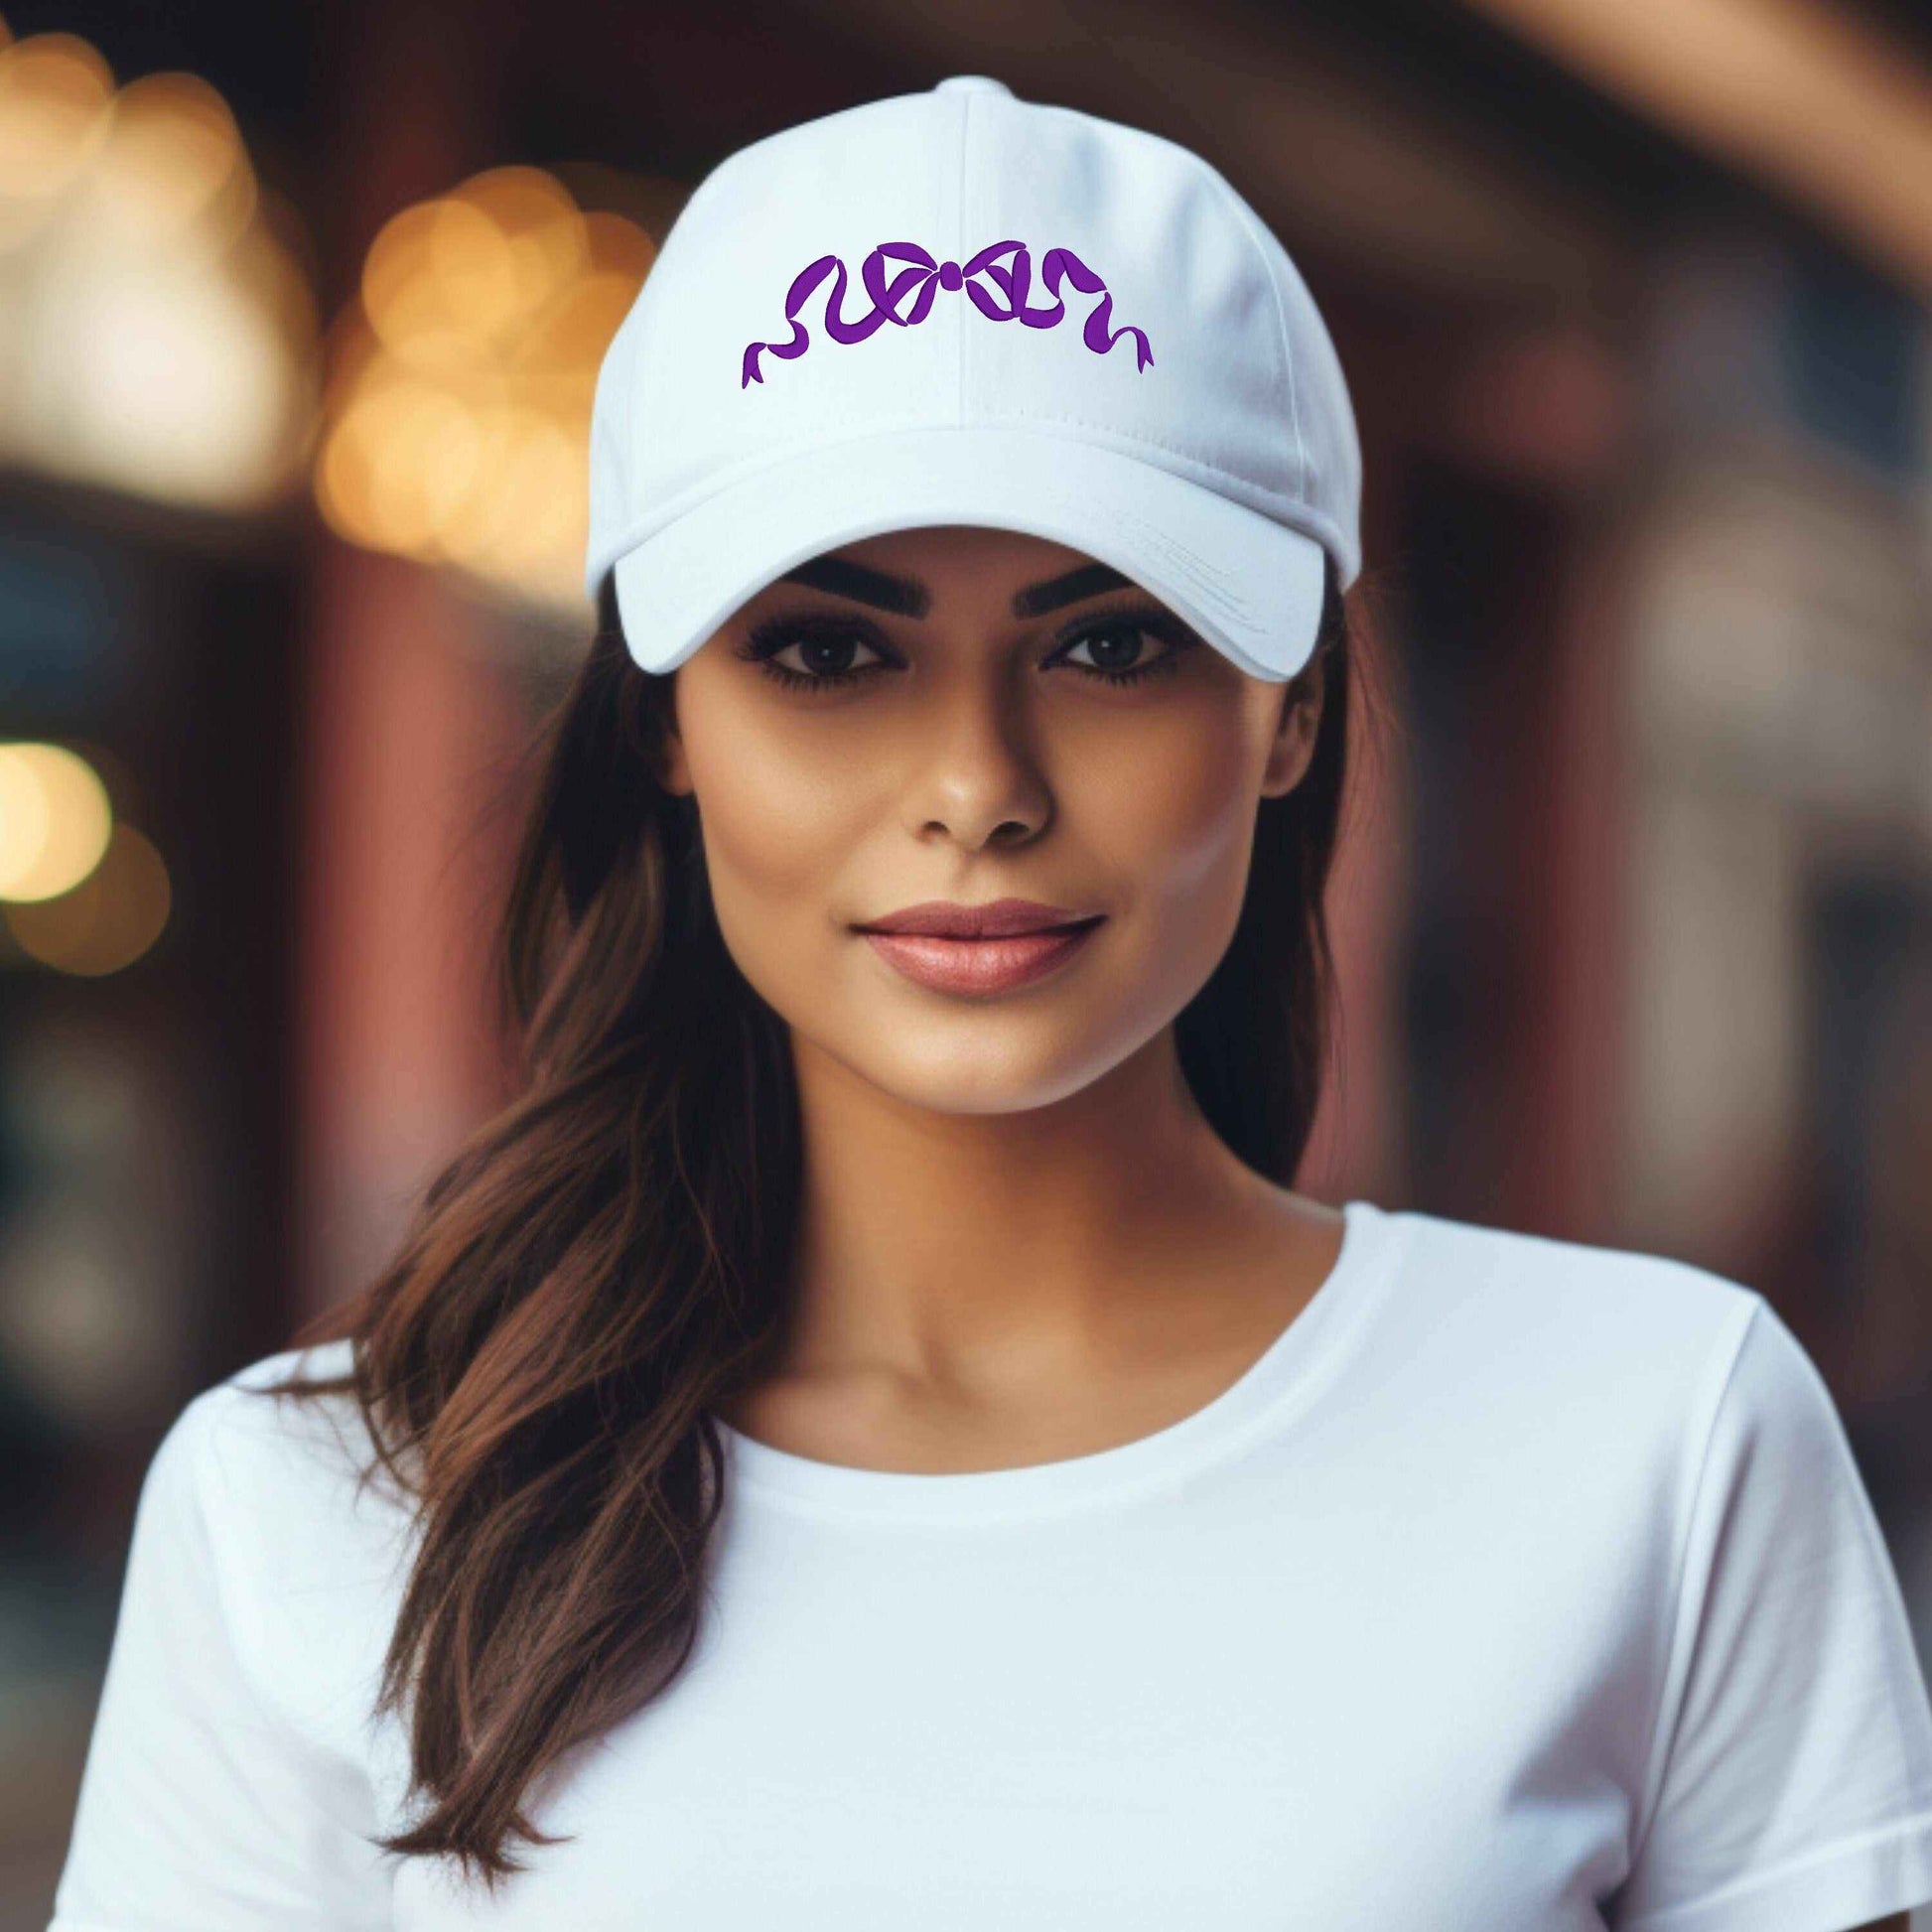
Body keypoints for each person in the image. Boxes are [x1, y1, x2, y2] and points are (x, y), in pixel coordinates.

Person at [47, 72, 1932, 1932]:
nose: (976, 782)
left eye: (1108, 642)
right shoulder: (314, 1508)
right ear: (662, 723)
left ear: (1286, 709)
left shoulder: (1655, 1440)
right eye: (827, 651)